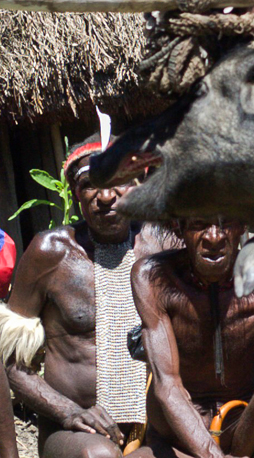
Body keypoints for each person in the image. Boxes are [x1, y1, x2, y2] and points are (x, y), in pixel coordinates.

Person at [2, 136, 171, 458]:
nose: (106, 196)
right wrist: (68, 411)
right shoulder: (49, 252)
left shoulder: (163, 245)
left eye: (118, 181)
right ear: (77, 193)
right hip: (75, 431)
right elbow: (12, 362)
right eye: (91, 184)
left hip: (156, 426)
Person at [127, 219, 254, 458]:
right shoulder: (155, 277)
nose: (214, 237)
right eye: (199, 224)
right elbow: (167, 385)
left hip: (248, 431)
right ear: (178, 227)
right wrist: (212, 455)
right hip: (180, 440)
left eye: (226, 223)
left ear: (243, 225)